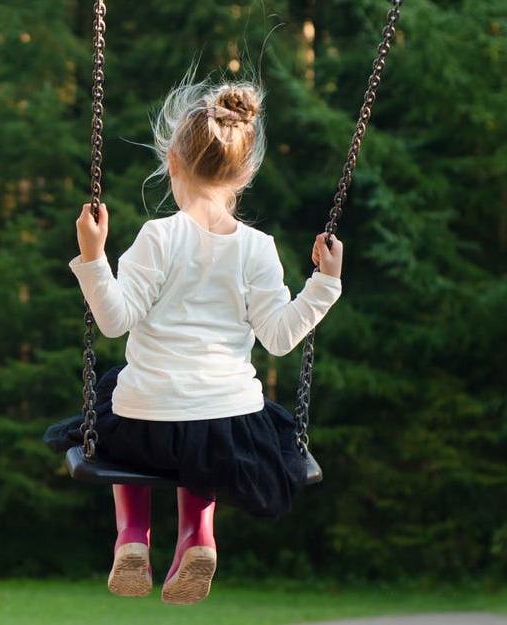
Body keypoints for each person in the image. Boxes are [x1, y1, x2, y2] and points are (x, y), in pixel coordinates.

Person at [56, 76, 343, 605]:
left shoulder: (157, 237)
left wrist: (93, 256)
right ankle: (198, 536)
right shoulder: (259, 248)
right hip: (227, 430)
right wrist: (324, 283)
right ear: (246, 172)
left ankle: (131, 536)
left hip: (146, 424)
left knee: (120, 397)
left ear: (172, 161)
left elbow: (115, 321)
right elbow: (280, 338)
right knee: (205, 430)